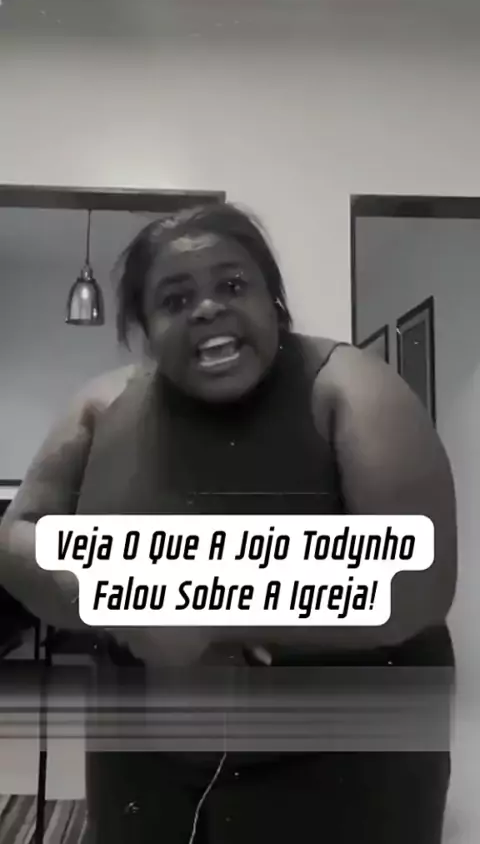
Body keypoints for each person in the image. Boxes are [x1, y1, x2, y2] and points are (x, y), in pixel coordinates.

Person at [0, 203, 456, 843]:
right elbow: (18, 537)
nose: (207, 309)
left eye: (234, 285)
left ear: (274, 301)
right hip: (143, 772)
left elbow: (418, 579)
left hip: (344, 775)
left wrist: (202, 606)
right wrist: (120, 603)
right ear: (145, 328)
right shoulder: (102, 405)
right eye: (175, 299)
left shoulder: (351, 389)